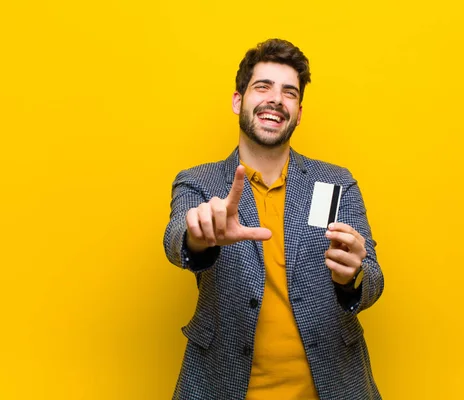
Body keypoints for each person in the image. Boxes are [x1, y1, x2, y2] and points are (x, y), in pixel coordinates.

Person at [163, 38, 384, 400]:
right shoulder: (199, 182)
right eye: (262, 87)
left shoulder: (335, 183)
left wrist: (353, 276)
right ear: (238, 101)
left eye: (290, 93)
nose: (276, 100)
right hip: (222, 385)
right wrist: (198, 236)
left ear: (298, 112)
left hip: (333, 386)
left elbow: (372, 277)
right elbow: (176, 241)